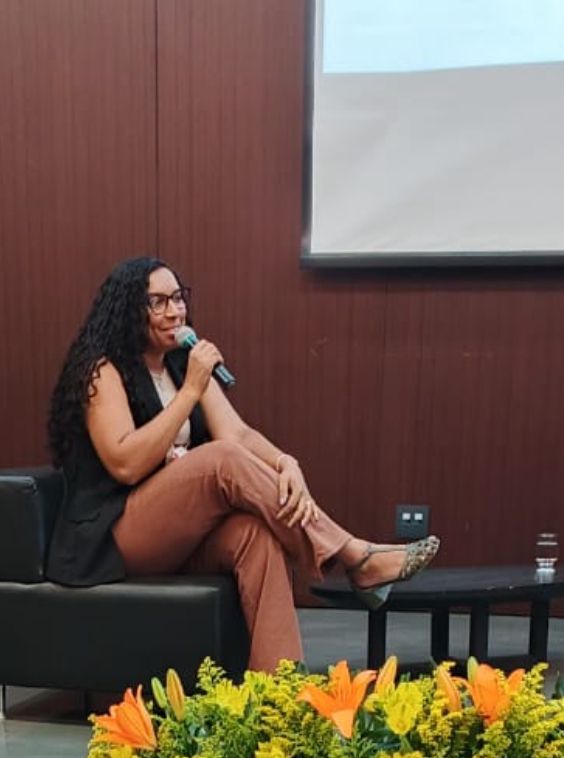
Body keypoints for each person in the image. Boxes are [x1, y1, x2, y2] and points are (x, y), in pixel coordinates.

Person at [46, 257, 440, 670]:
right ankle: (353, 555)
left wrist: (286, 462)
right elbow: (125, 464)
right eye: (157, 302)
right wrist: (190, 392)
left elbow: (237, 434)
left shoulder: (180, 364)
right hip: (114, 535)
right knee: (219, 459)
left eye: (178, 298)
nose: (175, 311)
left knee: (256, 536)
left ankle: (277, 689)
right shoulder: (102, 370)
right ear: (129, 310)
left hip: (175, 532)